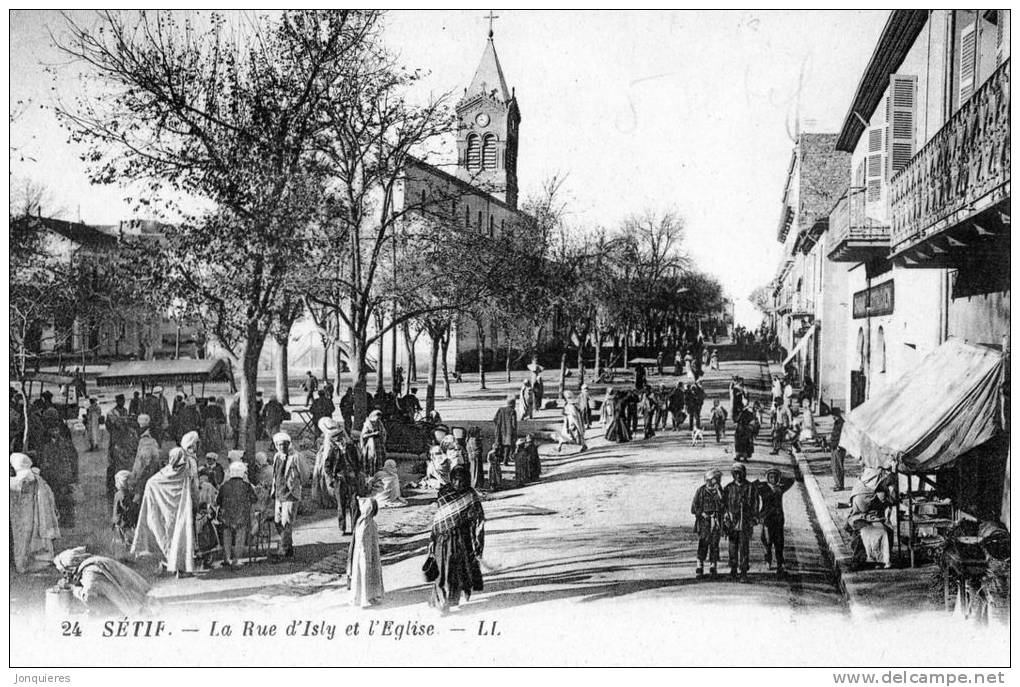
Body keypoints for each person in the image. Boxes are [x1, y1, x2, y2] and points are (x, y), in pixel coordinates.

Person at [132, 447, 198, 577]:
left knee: (168, 538)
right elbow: (194, 491)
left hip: (167, 514)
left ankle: (173, 565)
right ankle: (179, 568)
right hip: (180, 515)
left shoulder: (163, 474)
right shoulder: (186, 473)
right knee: (180, 539)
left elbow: (151, 483)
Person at [427, 466, 485, 613]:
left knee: (457, 571)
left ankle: (452, 598)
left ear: (467, 480)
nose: (458, 483)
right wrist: (433, 538)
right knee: (442, 571)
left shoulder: (470, 495)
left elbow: (478, 520)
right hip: (443, 538)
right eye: (455, 480)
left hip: (462, 539)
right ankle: (441, 603)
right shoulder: (444, 492)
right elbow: (438, 518)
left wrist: (478, 542)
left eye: (461, 480)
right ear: (451, 479)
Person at [53, 547, 151, 616]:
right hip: (138, 598)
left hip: (136, 607)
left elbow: (89, 597)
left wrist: (74, 589)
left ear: (71, 568)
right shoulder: (93, 563)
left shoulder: (90, 572)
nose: (65, 577)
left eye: (64, 572)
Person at [9, 453, 61, 573]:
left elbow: (16, 487)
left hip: (27, 512)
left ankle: (26, 562)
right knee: (33, 535)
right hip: (34, 510)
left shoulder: (25, 475)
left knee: (26, 537)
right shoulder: (34, 475)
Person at [847, 467, 895, 569]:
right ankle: (877, 558)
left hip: (868, 516)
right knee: (881, 531)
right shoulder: (865, 491)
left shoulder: (864, 485)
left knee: (884, 530)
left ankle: (878, 558)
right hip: (862, 517)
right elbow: (864, 507)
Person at [722, 463, 759, 582]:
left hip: (745, 522)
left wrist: (754, 518)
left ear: (744, 474)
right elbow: (723, 504)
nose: (738, 476)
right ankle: (733, 569)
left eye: (740, 473)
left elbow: (755, 503)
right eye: (735, 473)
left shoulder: (750, 487)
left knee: (744, 547)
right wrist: (726, 516)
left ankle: (743, 572)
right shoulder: (728, 488)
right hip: (732, 522)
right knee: (732, 547)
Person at [217, 460, 257, 569]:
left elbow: (218, 501)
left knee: (227, 535)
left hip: (227, 516)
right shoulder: (246, 486)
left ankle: (227, 558)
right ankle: (237, 559)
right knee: (240, 535)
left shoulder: (224, 486)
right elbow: (254, 499)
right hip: (241, 515)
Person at [37, 425, 79, 528]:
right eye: (52, 429)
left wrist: (74, 475)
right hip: (53, 476)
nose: (55, 432)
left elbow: (74, 459)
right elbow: (44, 461)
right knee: (56, 498)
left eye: (56, 429)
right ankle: (60, 520)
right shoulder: (46, 446)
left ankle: (69, 520)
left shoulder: (66, 444)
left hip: (65, 475)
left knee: (67, 498)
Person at [756, 467, 795, 576]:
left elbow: (791, 480)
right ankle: (768, 560)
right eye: (771, 477)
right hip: (766, 519)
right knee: (767, 541)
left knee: (779, 542)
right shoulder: (763, 488)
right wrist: (761, 481)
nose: (773, 479)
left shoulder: (780, 488)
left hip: (778, 519)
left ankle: (780, 563)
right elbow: (752, 486)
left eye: (775, 477)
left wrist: (781, 478)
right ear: (767, 478)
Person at [270, 432, 302, 560]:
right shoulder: (277, 457)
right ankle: (288, 546)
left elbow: (304, 473)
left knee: (286, 522)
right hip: (279, 494)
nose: (282, 447)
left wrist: (296, 485)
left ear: (289, 444)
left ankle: (282, 550)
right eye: (279, 445)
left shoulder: (295, 457)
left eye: (284, 444)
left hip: (290, 494)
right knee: (277, 521)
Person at [350, 496, 384, 608]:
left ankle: (372, 595)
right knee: (364, 572)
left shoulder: (369, 523)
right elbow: (361, 542)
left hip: (371, 553)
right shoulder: (364, 523)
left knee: (370, 572)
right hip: (363, 554)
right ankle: (364, 597)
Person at [690, 468, 724, 578]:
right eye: (713, 479)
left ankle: (713, 566)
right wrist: (702, 513)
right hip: (704, 521)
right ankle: (699, 566)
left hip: (715, 521)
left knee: (714, 544)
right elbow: (694, 508)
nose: (715, 482)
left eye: (717, 479)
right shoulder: (701, 491)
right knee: (703, 543)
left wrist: (719, 493)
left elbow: (723, 505)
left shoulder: (719, 491)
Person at [128, 415, 162, 500]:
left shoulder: (146, 441)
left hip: (145, 480)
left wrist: (133, 480)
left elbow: (141, 464)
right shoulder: (152, 439)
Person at [111, 469, 139, 552]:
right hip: (123, 523)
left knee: (123, 542)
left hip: (119, 523)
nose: (133, 483)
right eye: (131, 480)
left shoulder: (119, 493)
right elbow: (127, 508)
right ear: (125, 482)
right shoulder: (123, 494)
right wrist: (136, 501)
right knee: (128, 542)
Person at [492, 395, 518, 467]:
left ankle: (498, 460)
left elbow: (494, 419)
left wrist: (498, 426)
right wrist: (514, 432)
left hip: (500, 431)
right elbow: (514, 424)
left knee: (499, 445)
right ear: (513, 404)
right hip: (508, 432)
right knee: (507, 447)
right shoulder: (513, 411)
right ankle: (505, 461)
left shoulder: (500, 409)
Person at [360, 409, 388, 476]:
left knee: (380, 460)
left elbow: (383, 432)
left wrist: (382, 435)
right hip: (371, 446)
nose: (377, 420)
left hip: (379, 445)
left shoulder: (379, 423)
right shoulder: (367, 424)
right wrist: (373, 434)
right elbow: (363, 435)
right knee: (371, 459)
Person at [830, 408, 847, 491]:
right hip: (834, 446)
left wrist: (839, 446)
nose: (833, 417)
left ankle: (840, 485)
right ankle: (837, 483)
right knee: (834, 466)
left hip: (839, 448)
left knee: (838, 467)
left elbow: (843, 436)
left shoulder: (841, 423)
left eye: (834, 415)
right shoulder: (837, 422)